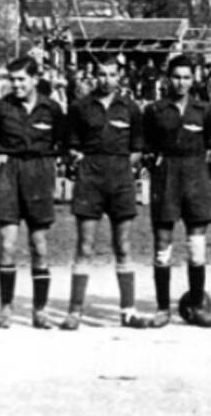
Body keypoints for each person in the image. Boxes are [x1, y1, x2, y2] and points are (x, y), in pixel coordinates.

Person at [60, 56, 149, 330]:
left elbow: (137, 149)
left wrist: (121, 167)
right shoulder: (80, 107)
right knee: (84, 246)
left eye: (112, 74)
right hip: (91, 179)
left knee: (122, 246)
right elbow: (70, 145)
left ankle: (128, 310)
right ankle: (75, 311)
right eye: (101, 74)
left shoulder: (131, 108)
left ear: (120, 77)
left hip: (120, 178)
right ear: (93, 76)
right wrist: (81, 161)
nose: (106, 79)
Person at [0, 56, 65, 329]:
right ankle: (5, 307)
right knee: (7, 243)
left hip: (39, 172)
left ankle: (39, 310)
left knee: (39, 245)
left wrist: (53, 161)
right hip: (9, 172)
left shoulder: (51, 108)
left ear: (35, 78)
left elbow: (63, 141)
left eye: (21, 80)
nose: (15, 85)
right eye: (12, 79)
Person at [143, 55, 211, 329]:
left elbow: (210, 144)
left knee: (196, 245)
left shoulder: (204, 109)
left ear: (193, 79)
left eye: (186, 77)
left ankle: (197, 305)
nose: (181, 82)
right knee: (163, 244)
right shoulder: (154, 110)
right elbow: (146, 144)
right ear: (167, 78)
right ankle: (163, 309)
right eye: (176, 77)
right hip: (167, 176)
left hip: (195, 175)